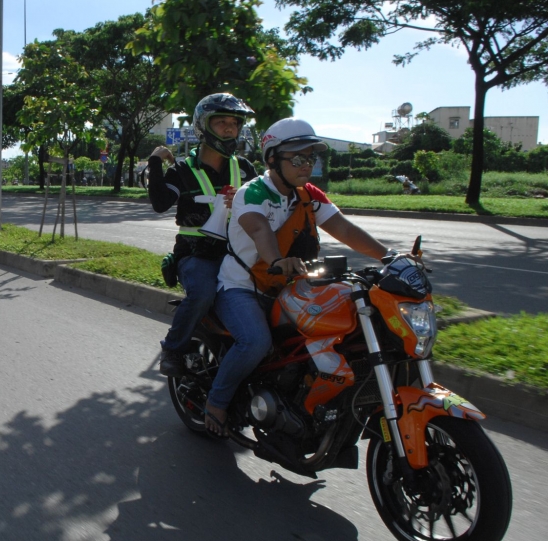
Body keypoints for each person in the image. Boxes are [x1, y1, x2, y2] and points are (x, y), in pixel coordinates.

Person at [203, 118, 391, 437]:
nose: (307, 165)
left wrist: (389, 256)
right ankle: (216, 402)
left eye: (311, 157)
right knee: (256, 342)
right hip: (243, 287)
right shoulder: (253, 193)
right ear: (273, 159)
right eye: (298, 158)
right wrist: (277, 260)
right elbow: (260, 230)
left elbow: (344, 229)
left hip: (290, 286)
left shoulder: (308, 194)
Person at [147, 93, 259, 377]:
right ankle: (173, 347)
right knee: (203, 292)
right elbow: (160, 203)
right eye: (221, 122)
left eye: (234, 122)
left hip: (240, 254)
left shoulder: (245, 169)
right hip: (196, 255)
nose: (230, 128)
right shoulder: (183, 170)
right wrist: (155, 162)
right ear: (203, 126)